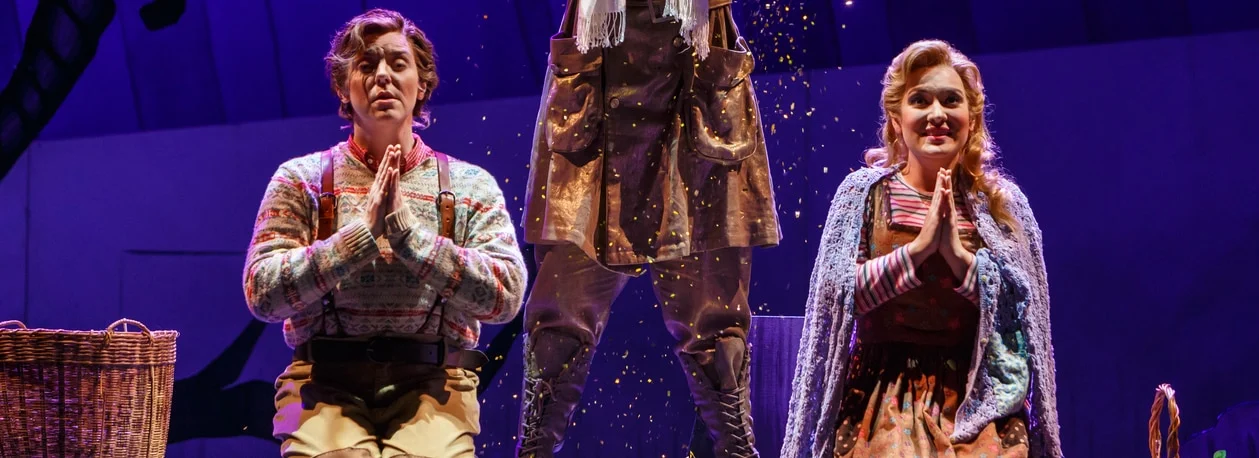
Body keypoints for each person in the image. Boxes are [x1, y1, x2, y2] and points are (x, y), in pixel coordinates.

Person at [241, 9, 527, 458]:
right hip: (323, 385)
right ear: (343, 86)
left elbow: (505, 297)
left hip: (436, 386)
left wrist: (410, 239)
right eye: (366, 64)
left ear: (422, 83)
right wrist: (357, 239)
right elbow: (262, 293)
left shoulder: (470, 185)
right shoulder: (301, 180)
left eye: (398, 63)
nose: (382, 76)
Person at [516, 0, 781, 456]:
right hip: (596, 72)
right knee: (560, 317)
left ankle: (737, 450)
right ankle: (533, 450)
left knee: (715, 321)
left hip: (696, 77)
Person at [780, 40, 1063, 458]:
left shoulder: (1002, 204)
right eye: (920, 100)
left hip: (979, 394)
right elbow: (837, 296)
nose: (937, 114)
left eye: (951, 100)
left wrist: (957, 258)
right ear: (897, 119)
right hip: (882, 395)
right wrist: (917, 251)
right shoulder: (863, 195)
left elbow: (1022, 311)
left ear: (972, 118)